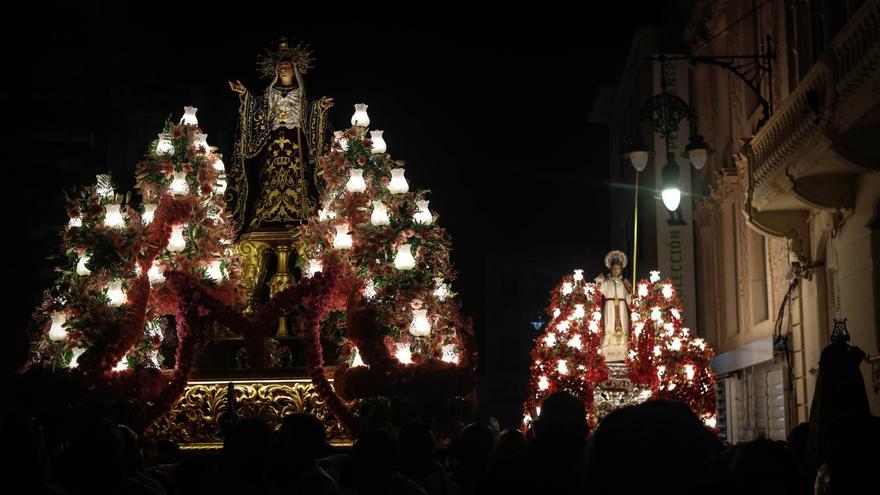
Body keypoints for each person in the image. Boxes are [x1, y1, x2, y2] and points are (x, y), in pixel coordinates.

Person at [227, 38, 334, 234]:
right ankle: (269, 206)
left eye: (287, 66)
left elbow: (309, 111)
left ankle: (301, 209)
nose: (283, 69)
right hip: (274, 140)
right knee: (270, 173)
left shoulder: (300, 94)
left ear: (294, 70)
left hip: (295, 141)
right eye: (281, 66)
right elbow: (257, 109)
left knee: (298, 172)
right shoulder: (270, 94)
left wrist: (320, 107)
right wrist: (244, 94)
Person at [595, 250, 631, 361]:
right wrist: (599, 281)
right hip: (610, 307)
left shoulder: (624, 283)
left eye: (618, 269)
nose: (616, 271)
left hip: (621, 307)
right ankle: (608, 347)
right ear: (610, 269)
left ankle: (622, 348)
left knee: (623, 325)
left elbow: (629, 298)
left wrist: (632, 296)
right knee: (609, 325)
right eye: (614, 268)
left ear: (621, 270)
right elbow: (598, 293)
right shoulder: (606, 282)